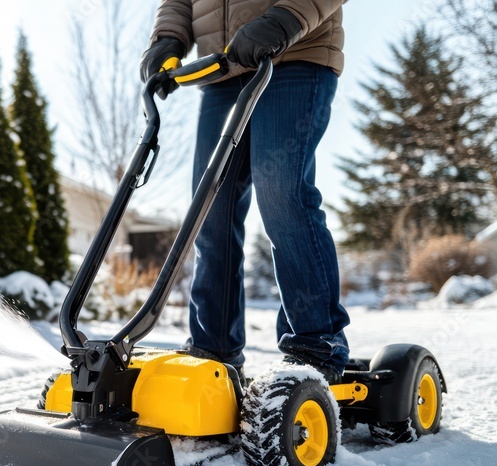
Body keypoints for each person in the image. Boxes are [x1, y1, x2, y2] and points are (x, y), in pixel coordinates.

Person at [139, 0, 350, 383]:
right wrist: (168, 38)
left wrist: (285, 19)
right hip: (221, 70)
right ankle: (213, 349)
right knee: (209, 211)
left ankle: (316, 344)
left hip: (295, 54)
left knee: (282, 196)